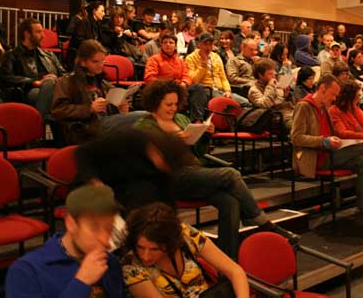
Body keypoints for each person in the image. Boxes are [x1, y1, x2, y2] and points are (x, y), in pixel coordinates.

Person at [134, 80, 298, 259]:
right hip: (169, 178)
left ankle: (228, 257)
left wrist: (206, 135)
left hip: (193, 173)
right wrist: (173, 140)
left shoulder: (181, 119)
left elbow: (199, 152)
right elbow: (146, 161)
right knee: (231, 174)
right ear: (155, 102)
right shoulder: (145, 126)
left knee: (230, 201)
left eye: (175, 103)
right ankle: (264, 224)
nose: (173, 108)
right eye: (168, 104)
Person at [291, 75, 363, 229]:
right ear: (322, 89)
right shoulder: (304, 106)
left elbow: (333, 132)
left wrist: (335, 140)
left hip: (329, 152)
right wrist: (324, 141)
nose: (335, 98)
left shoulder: (324, 107)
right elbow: (296, 138)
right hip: (316, 156)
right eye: (333, 94)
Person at [5, 185, 124, 298]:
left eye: (109, 229)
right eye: (94, 228)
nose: (104, 240)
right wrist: (82, 282)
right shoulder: (27, 271)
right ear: (71, 224)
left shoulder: (110, 262)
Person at [122, 202, 249, 298]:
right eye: (140, 247)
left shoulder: (185, 235)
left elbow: (235, 272)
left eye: (155, 249)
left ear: (170, 243)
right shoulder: (131, 266)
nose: (145, 256)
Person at [51, 39, 147, 144]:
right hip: (85, 128)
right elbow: (58, 110)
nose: (100, 65)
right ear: (83, 62)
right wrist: (90, 109)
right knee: (142, 117)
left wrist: (121, 109)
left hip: (104, 122)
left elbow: (109, 108)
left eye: (102, 61)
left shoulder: (103, 82)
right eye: (95, 62)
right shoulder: (67, 81)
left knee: (143, 124)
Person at [0, 18, 66, 121]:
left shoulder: (49, 55)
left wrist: (57, 79)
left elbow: (64, 74)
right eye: (39, 32)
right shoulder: (12, 55)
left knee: (52, 84)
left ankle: (38, 123)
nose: (43, 35)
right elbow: (6, 77)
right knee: (48, 85)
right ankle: (39, 123)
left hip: (55, 89)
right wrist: (34, 82)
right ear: (27, 34)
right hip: (30, 90)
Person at [187, 33, 250, 122]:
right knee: (232, 104)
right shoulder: (191, 58)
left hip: (221, 91)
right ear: (199, 44)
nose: (208, 47)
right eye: (205, 44)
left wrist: (228, 91)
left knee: (246, 103)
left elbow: (223, 77)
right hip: (205, 91)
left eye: (210, 44)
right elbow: (194, 80)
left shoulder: (216, 57)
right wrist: (203, 64)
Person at [248, 59, 294, 137]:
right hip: (273, 118)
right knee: (299, 127)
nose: (273, 76)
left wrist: (285, 96)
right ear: (260, 75)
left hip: (286, 114)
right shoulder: (254, 90)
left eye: (274, 73)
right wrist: (270, 86)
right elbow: (265, 105)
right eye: (270, 74)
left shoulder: (274, 85)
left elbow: (278, 101)